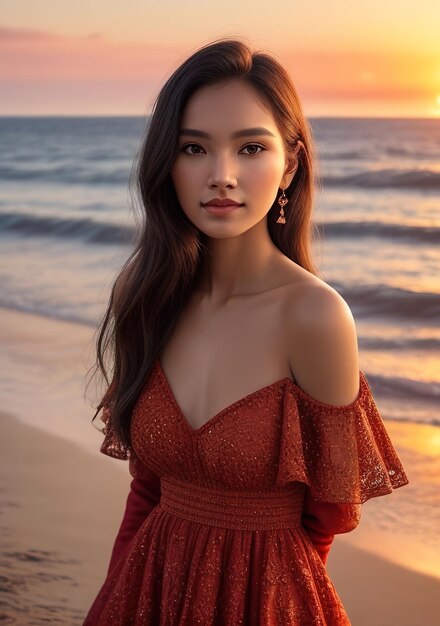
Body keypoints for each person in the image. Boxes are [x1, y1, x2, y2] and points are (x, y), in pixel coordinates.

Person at [83, 38, 409, 625]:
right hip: (146, 592)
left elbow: (325, 520)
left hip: (266, 601)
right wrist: (110, 605)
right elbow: (146, 494)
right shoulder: (148, 298)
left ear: (290, 163)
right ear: (168, 162)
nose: (221, 176)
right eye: (194, 148)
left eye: (251, 147)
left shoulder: (315, 318)